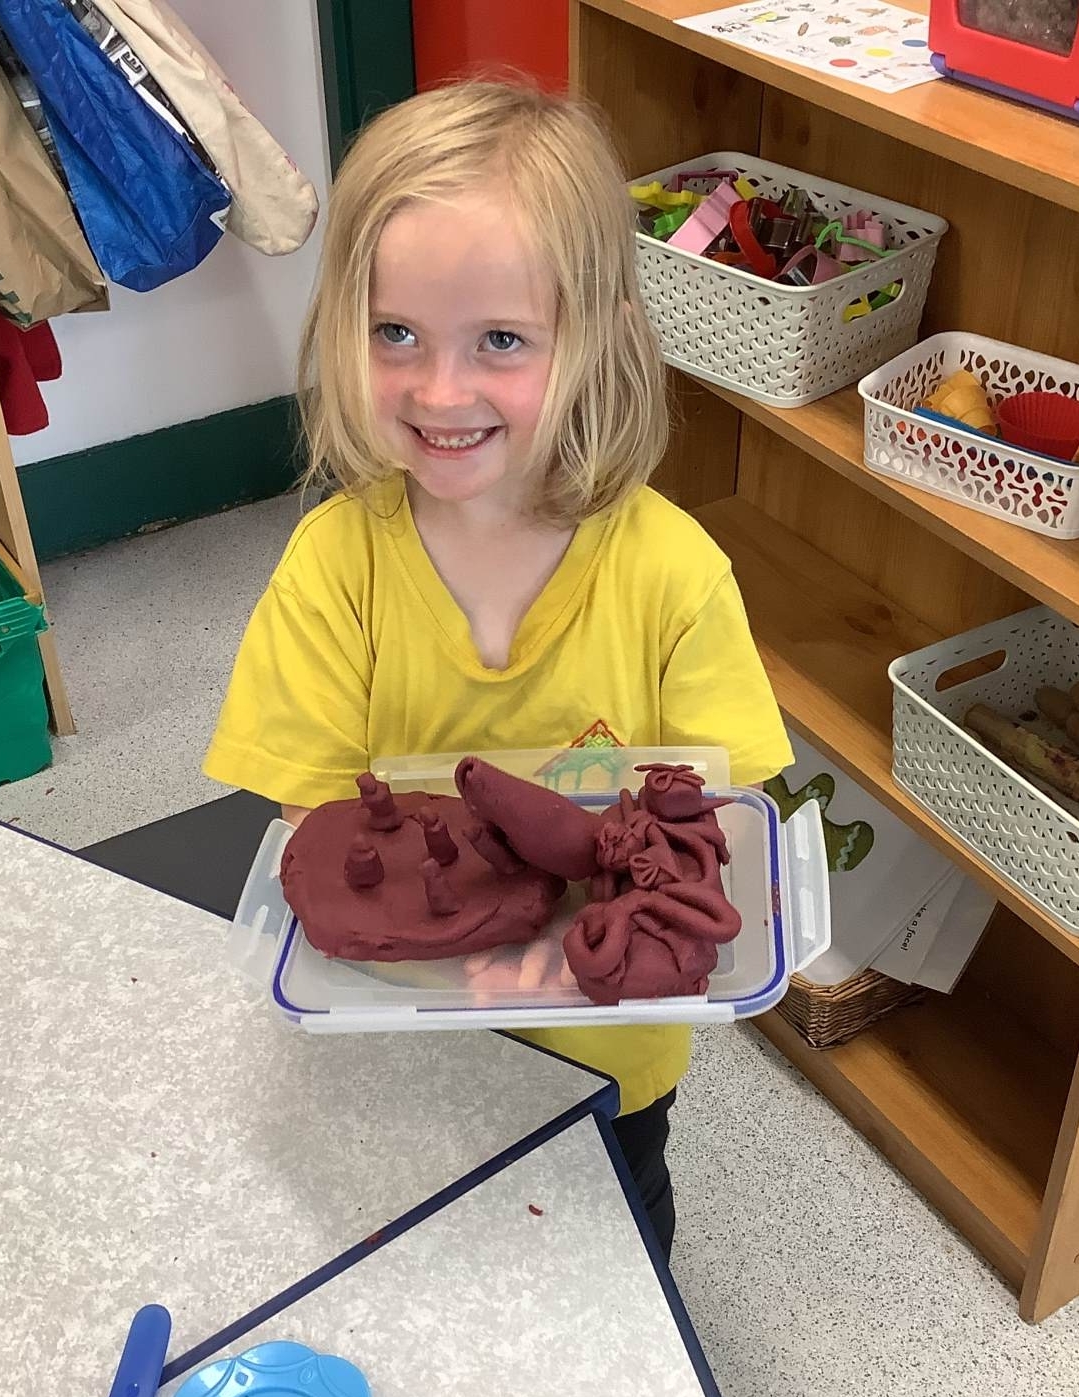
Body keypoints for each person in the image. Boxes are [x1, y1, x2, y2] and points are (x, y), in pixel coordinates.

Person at [203, 81, 792, 1257]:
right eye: (396, 333)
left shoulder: (674, 575)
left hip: (608, 1045)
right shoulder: (334, 568)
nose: (439, 390)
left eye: (502, 341)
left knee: (612, 1255)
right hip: (398, 1040)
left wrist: (572, 958)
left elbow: (722, 824)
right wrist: (464, 946)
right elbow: (315, 831)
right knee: (424, 1253)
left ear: (596, 336)